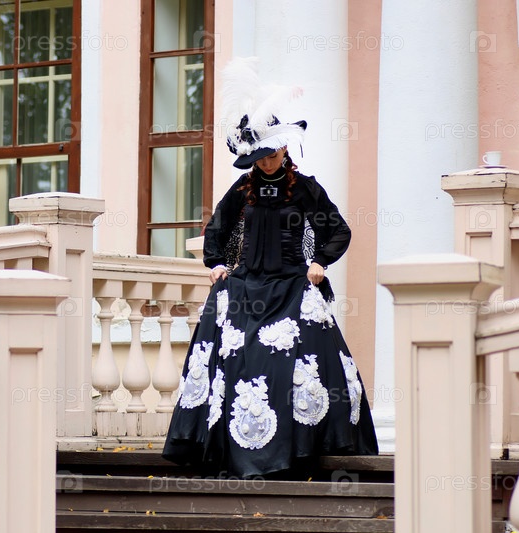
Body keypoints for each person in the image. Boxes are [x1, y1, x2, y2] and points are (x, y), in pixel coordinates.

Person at [162, 58, 378, 479]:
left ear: (284, 148)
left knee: (286, 366)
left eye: (270, 156)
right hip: (245, 286)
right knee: (239, 359)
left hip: (292, 287)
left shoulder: (307, 189)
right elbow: (216, 229)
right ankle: (228, 449)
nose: (264, 164)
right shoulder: (242, 189)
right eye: (258, 158)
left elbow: (339, 230)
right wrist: (216, 263)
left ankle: (296, 449)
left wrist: (319, 262)